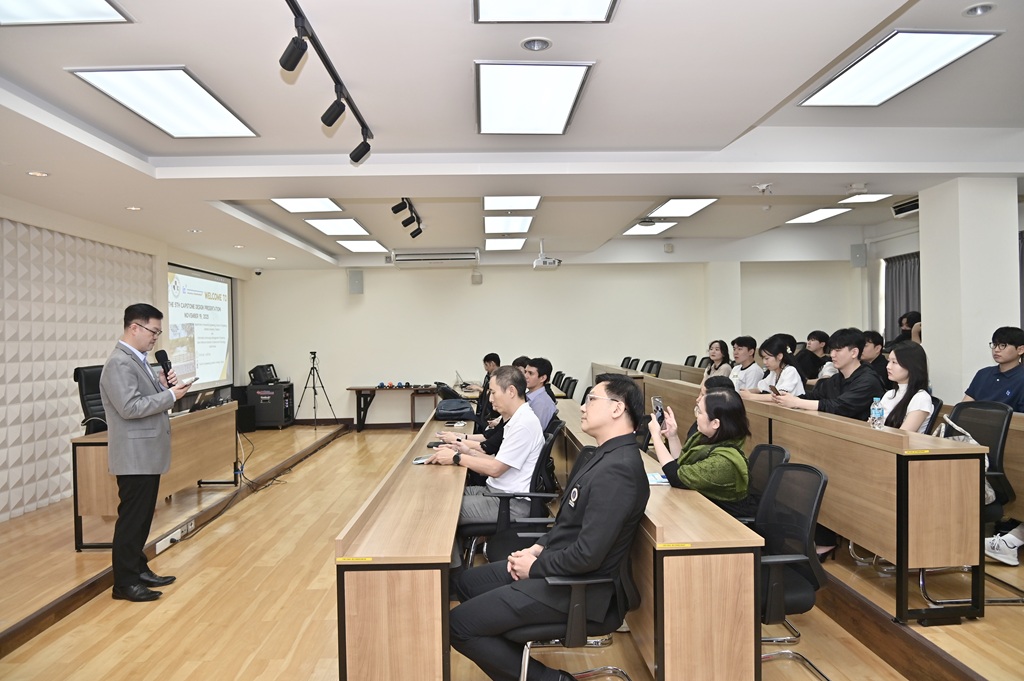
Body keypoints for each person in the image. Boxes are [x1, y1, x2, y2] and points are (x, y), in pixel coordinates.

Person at [450, 374, 649, 681]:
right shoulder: (602, 455)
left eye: (591, 399)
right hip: (556, 567)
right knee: (466, 583)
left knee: (459, 626)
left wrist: (535, 566)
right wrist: (537, 547)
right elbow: (568, 524)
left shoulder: (619, 469)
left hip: (577, 589)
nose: (582, 406)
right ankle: (509, 650)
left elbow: (588, 555)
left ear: (617, 408)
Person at [99, 303, 191, 602]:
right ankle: (124, 583)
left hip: (146, 453)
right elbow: (129, 408)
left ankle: (138, 569)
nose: (155, 338)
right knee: (132, 520)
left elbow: (144, 400)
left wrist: (162, 387)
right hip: (134, 455)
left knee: (141, 519)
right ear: (134, 327)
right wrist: (169, 396)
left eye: (158, 333)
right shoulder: (120, 363)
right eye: (153, 331)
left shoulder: (138, 360)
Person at [427, 365, 544, 528]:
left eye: (493, 393)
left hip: (511, 502)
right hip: (497, 492)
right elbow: (498, 462)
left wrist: (456, 457)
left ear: (511, 391)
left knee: (442, 509)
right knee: (442, 495)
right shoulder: (517, 419)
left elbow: (495, 469)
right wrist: (467, 451)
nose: (490, 399)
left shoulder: (524, 424)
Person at [648, 388, 753, 517]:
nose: (696, 415)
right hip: (700, 509)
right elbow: (681, 465)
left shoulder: (724, 462)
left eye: (700, 411)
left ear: (715, 423)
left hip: (721, 519)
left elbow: (677, 477)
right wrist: (672, 436)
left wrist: (656, 437)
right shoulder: (705, 438)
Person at [773, 327, 886, 420]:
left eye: (837, 350)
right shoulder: (836, 379)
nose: (832, 355)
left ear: (854, 352)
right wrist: (789, 397)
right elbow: (814, 396)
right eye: (831, 350)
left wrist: (797, 403)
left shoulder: (868, 380)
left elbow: (840, 406)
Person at [962, 326, 1024, 412]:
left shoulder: (1021, 378)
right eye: (995, 345)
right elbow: (963, 408)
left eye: (1002, 345)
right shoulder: (983, 373)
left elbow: (1020, 418)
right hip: (975, 419)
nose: (996, 350)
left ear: (1020, 350)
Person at [876, 342, 933, 433]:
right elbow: (875, 424)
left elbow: (902, 436)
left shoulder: (921, 398)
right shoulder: (889, 394)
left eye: (894, 362)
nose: (888, 366)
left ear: (911, 366)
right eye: (889, 361)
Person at [744, 334, 805, 401]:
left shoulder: (790, 371)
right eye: (763, 358)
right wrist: (746, 392)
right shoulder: (773, 373)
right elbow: (760, 388)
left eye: (767, 358)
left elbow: (779, 397)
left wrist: (750, 396)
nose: (764, 362)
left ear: (779, 356)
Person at [524, 357, 557, 430]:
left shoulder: (541, 404)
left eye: (530, 373)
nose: (525, 376)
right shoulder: (530, 396)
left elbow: (533, 431)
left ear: (542, 378)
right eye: (525, 372)